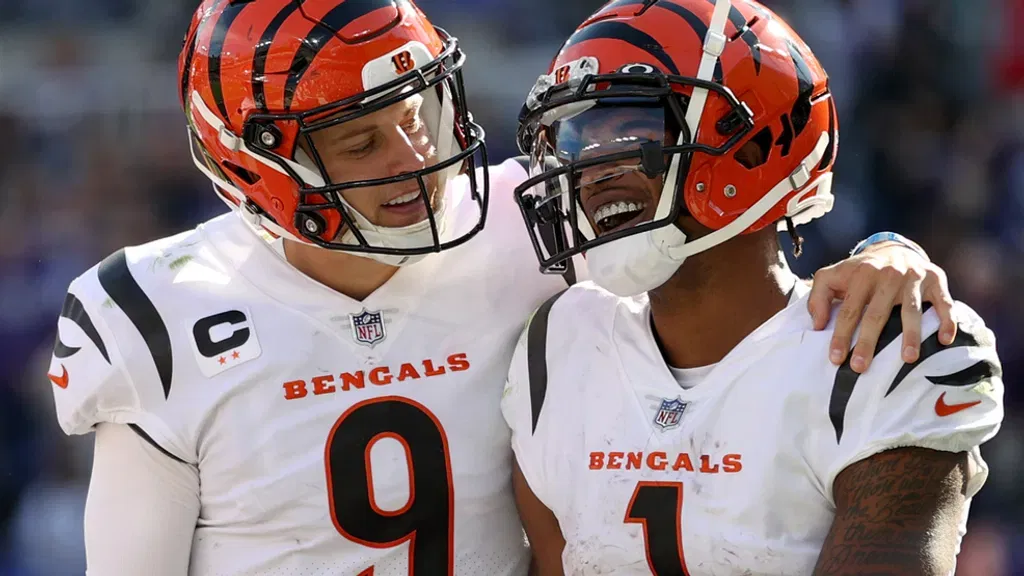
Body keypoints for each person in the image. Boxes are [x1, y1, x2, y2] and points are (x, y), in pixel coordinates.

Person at [46, 0, 963, 574]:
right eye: (361, 141)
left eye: (419, 114)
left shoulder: (534, 218)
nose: (413, 160)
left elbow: (735, 220)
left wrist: (887, 249)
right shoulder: (157, 312)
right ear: (260, 162)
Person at [501, 0, 1004, 575]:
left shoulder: (884, 348)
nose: (589, 169)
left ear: (752, 146)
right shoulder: (562, 341)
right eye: (577, 140)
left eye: (630, 130)